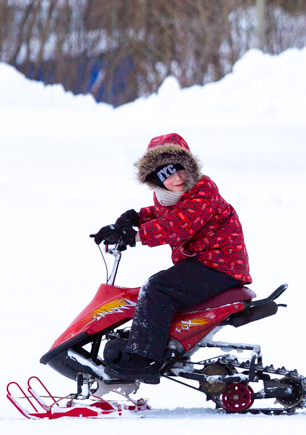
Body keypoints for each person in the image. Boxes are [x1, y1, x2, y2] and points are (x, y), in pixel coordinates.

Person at [92, 133, 250, 383]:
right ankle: (161, 342)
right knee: (158, 287)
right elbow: (166, 214)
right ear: (155, 178)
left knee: (157, 289)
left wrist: (135, 236)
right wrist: (135, 218)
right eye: (166, 174)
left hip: (221, 265)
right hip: (204, 262)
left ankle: (144, 360)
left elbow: (180, 223)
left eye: (180, 170)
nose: (176, 178)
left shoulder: (203, 189)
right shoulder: (170, 196)